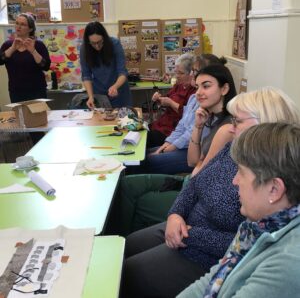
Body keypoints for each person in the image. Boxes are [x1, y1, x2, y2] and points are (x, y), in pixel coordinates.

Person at [120, 87, 300, 298]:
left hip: (198, 248)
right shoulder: (234, 149)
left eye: (238, 121)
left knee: (126, 273)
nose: (231, 128)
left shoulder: (284, 254)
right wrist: (175, 214)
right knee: (126, 246)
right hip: (187, 229)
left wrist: (191, 233)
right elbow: (196, 183)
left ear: (266, 124)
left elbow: (238, 248)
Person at [178, 122, 300, 298]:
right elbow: (213, 279)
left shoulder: (289, 263)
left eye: (241, 173)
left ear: (274, 189)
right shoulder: (256, 226)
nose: (235, 181)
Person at [118, 63, 236, 236]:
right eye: (198, 87)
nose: (199, 93)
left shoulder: (226, 128)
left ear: (225, 88)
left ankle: (123, 237)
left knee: (135, 197)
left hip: (196, 194)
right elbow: (192, 161)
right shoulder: (209, 117)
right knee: (126, 184)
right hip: (192, 182)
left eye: (206, 86)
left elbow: (200, 172)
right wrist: (197, 126)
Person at [147, 53, 196, 148]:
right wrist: (159, 98)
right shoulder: (179, 85)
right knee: (137, 132)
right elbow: (167, 98)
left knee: (143, 139)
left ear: (191, 73)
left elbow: (188, 116)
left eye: (180, 73)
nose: (176, 76)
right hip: (162, 124)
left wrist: (171, 103)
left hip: (171, 130)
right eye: (176, 72)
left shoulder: (195, 92)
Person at [0, 13, 50, 103]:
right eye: (17, 23)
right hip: (16, 91)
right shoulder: (7, 45)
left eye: (22, 24)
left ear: (30, 29)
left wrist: (33, 51)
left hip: (37, 90)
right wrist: (12, 48)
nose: (18, 27)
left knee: (38, 116)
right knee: (20, 117)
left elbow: (45, 66)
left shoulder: (39, 45)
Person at [80, 21, 132, 108]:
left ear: (104, 37)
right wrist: (91, 96)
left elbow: (122, 72)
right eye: (93, 43)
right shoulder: (85, 48)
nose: (97, 46)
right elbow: (86, 75)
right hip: (99, 94)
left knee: (122, 120)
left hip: (119, 91)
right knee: (101, 120)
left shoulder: (115, 44)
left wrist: (115, 86)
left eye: (99, 42)